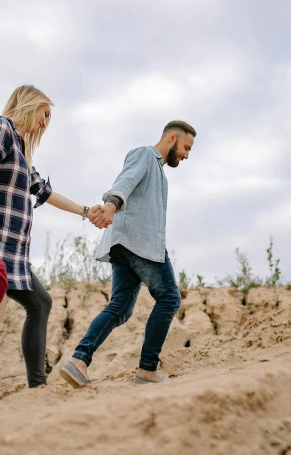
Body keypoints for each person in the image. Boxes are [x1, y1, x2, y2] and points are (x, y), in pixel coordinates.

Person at [0, 85, 103, 411]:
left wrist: (86, 211)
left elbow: (44, 192)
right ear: (30, 105)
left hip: (10, 250)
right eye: (45, 115)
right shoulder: (0, 128)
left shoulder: (21, 152)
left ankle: (37, 388)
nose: (45, 124)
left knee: (39, 303)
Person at [59, 120, 196, 387]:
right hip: (139, 241)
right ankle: (147, 370)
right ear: (171, 138)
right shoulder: (145, 154)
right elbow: (125, 180)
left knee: (120, 307)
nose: (186, 155)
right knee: (169, 298)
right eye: (186, 147)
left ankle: (79, 361)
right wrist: (111, 205)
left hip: (125, 244)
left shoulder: (160, 173)